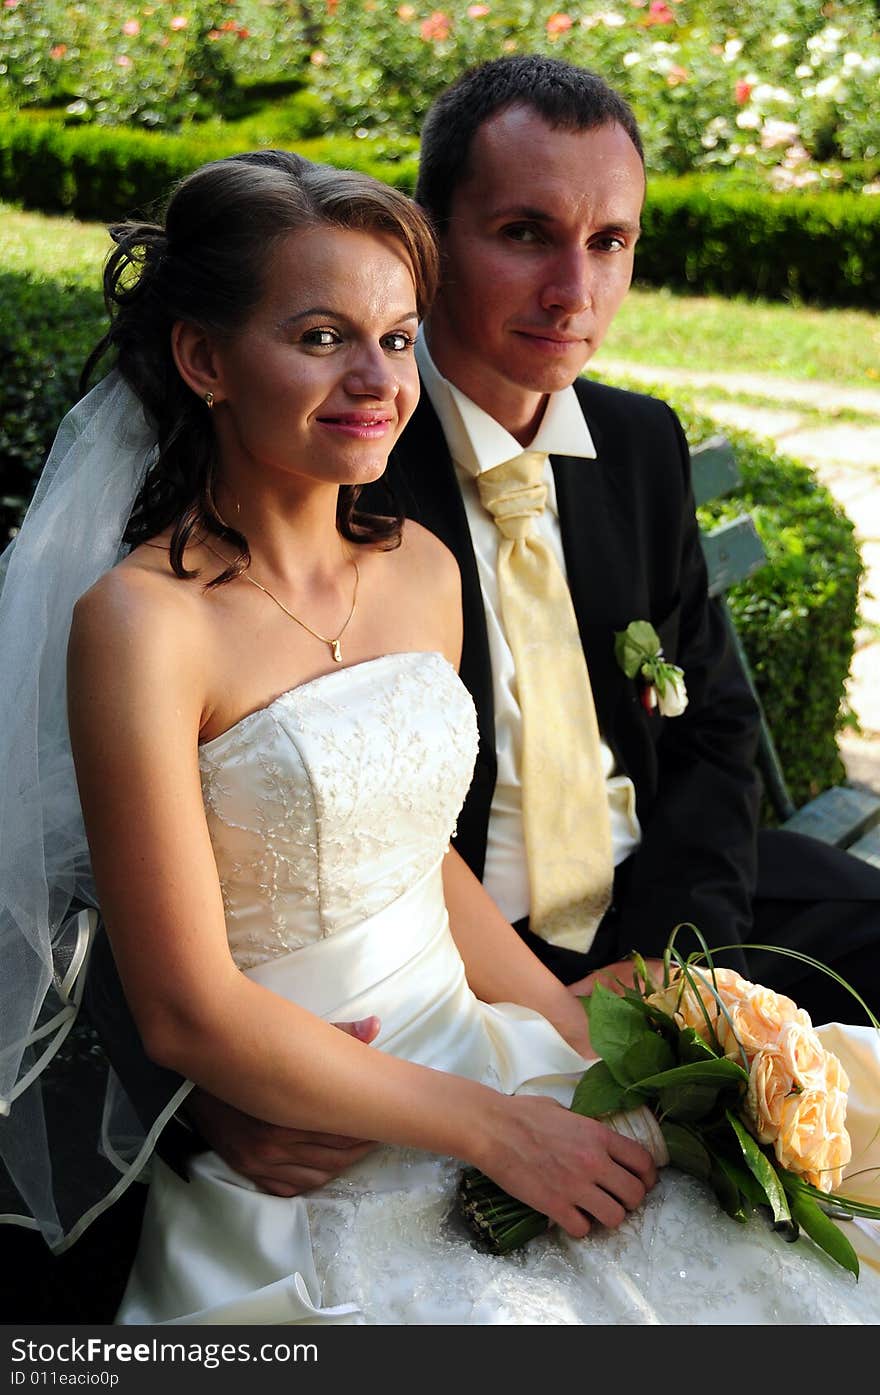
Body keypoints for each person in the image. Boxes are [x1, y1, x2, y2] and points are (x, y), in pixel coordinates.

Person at [2, 104, 878, 1329]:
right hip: (315, 1105)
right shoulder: (144, 623)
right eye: (321, 337)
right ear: (204, 361)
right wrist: (494, 1131)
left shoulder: (415, 565)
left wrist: (572, 1031)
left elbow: (426, 864)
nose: (376, 380)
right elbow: (184, 1002)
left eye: (398, 340)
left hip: (477, 1023)